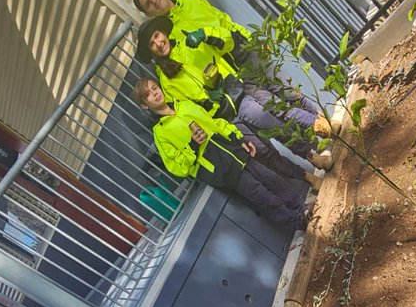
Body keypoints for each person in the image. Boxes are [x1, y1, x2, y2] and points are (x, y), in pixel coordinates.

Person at [136, 16, 333, 168]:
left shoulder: (188, 40)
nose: (158, 43)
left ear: (162, 32)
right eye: (151, 45)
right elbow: (186, 107)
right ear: (151, 52)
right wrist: (208, 100)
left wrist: (205, 34)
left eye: (157, 36)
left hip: (237, 87)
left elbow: (228, 41)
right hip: (225, 113)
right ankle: (312, 155)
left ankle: (321, 135)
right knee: (266, 141)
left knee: (277, 110)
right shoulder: (165, 80)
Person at [133, 77, 311, 234]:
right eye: (148, 95)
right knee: (259, 193)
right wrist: (193, 146)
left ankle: (300, 208)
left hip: (233, 150)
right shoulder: (161, 132)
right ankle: (295, 222)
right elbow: (177, 167)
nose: (155, 93)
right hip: (219, 169)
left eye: (154, 88)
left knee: (271, 177)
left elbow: (216, 123)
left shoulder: (184, 105)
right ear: (144, 105)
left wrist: (239, 138)